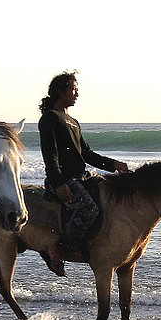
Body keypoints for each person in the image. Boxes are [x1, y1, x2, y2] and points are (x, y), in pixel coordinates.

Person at [37, 71, 129, 275]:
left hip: (81, 176)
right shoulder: (50, 118)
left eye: (76, 89)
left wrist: (114, 164)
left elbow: (86, 153)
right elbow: (50, 155)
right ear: (61, 91)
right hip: (63, 180)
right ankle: (58, 248)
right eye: (73, 89)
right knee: (89, 209)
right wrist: (59, 183)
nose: (77, 93)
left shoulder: (73, 121)